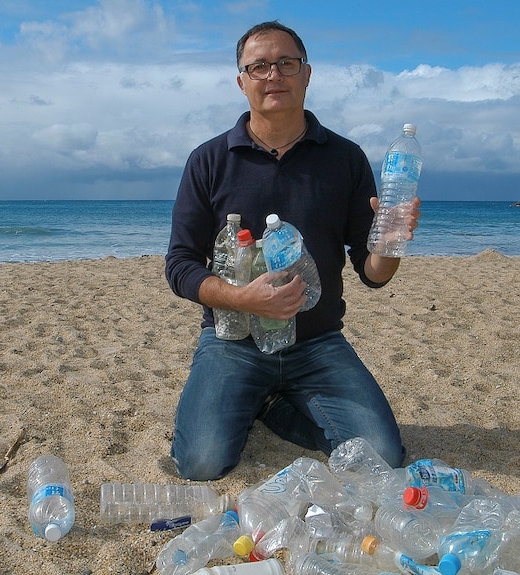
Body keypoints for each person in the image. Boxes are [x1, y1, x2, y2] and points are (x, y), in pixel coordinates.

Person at [164, 20, 421, 481]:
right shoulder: (208, 160)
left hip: (317, 343)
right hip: (233, 340)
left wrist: (390, 243)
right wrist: (242, 298)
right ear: (241, 81)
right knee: (200, 463)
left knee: (382, 456)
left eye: (286, 63)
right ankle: (253, 397)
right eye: (258, 66)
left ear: (307, 73)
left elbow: (373, 273)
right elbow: (179, 265)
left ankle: (271, 406)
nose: (273, 75)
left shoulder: (345, 158)